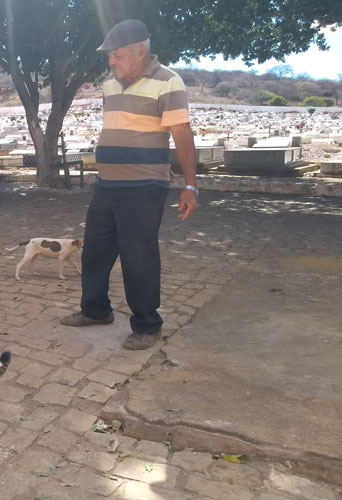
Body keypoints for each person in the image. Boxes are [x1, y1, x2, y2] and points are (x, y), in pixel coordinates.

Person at [60, 19, 199, 350]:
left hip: (142, 189)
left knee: (139, 257)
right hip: (106, 184)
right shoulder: (110, 84)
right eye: (109, 56)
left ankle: (148, 325)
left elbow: (181, 133)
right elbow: (121, 127)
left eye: (117, 55)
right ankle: (95, 310)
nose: (111, 61)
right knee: (95, 251)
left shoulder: (168, 82)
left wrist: (190, 186)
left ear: (141, 51)